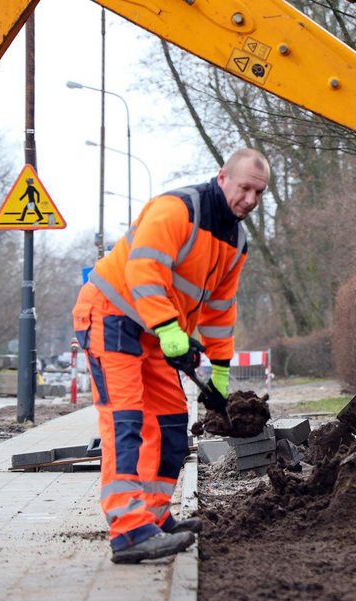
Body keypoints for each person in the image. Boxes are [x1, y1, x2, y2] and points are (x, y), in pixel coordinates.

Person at [71, 148, 270, 564]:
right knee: (126, 421)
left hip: (157, 332)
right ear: (223, 177)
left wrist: (219, 371)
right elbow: (143, 270)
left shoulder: (237, 241)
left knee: (170, 423)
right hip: (112, 316)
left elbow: (220, 310)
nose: (251, 199)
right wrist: (168, 328)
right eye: (245, 187)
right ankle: (128, 531)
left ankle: (155, 517)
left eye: (259, 192)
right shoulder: (177, 209)